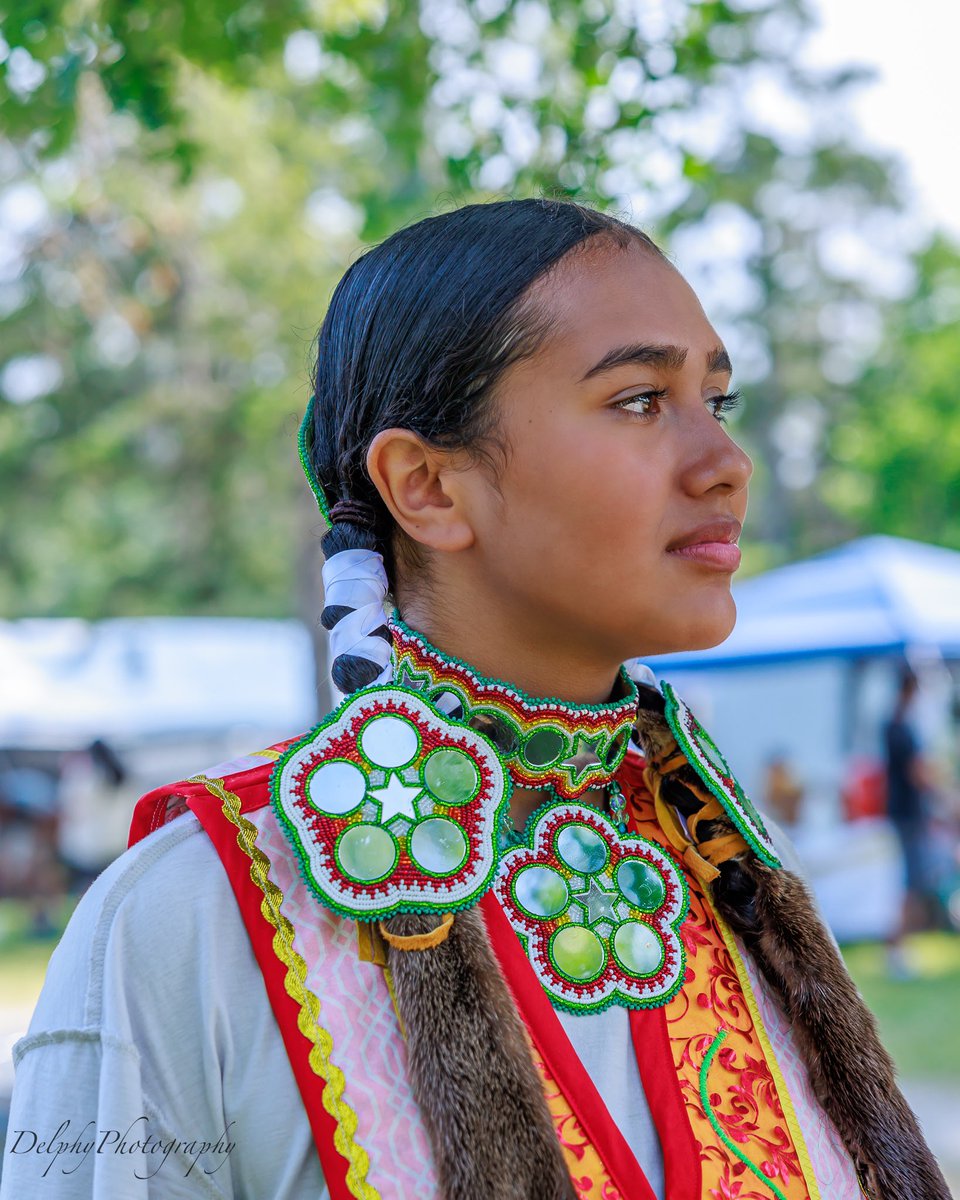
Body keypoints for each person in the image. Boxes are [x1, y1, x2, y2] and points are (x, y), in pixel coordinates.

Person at [1, 199, 948, 1200]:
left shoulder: (735, 873)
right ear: (429, 488)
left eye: (714, 401)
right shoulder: (190, 918)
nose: (725, 465)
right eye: (637, 400)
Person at [883, 667, 934, 977]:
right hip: (909, 816)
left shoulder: (890, 725)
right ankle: (898, 950)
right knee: (910, 884)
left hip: (900, 814)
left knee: (908, 883)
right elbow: (919, 773)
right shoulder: (903, 728)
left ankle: (901, 949)